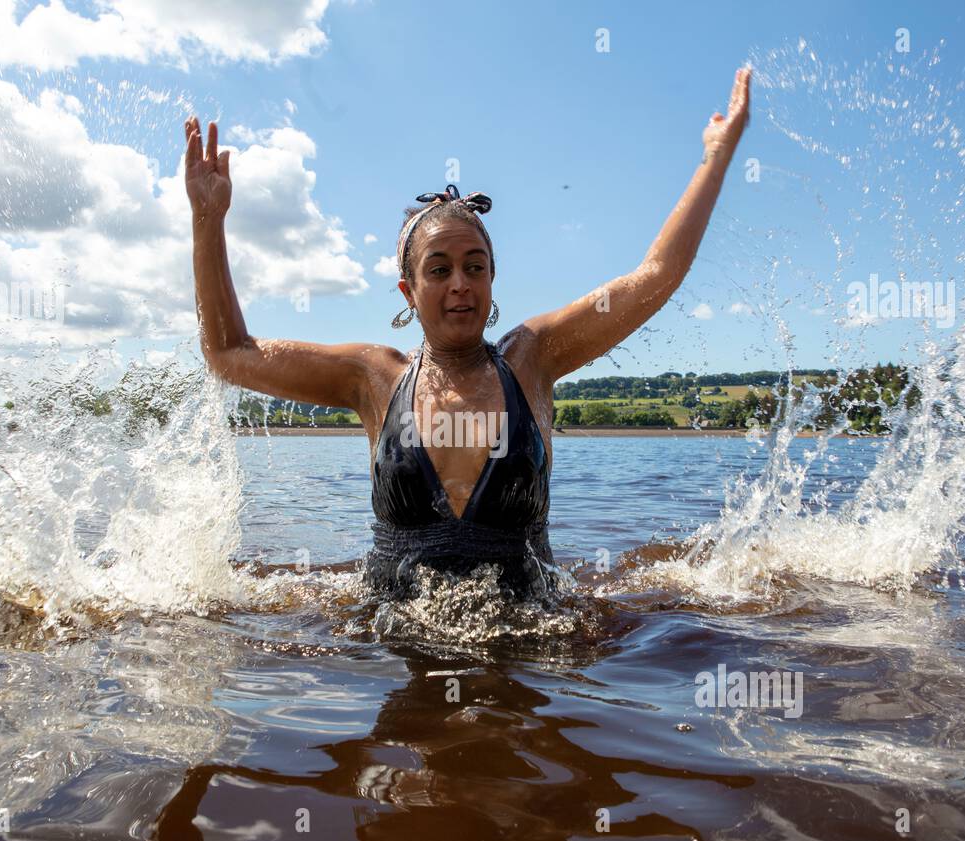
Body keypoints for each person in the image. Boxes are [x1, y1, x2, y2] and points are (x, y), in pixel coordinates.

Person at [186, 67, 751, 600]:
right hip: (397, 641)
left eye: (475, 266)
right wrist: (207, 220)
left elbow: (655, 277)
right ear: (408, 290)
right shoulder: (373, 378)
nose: (460, 284)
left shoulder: (534, 357)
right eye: (439, 269)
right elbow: (229, 352)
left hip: (532, 639)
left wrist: (715, 158)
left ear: (491, 278)